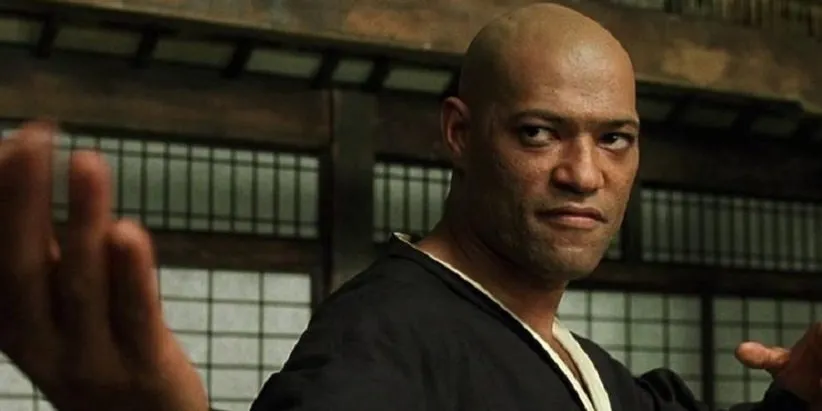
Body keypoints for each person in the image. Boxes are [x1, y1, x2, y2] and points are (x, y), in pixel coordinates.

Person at [0, 3, 819, 411]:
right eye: (539, 132)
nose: (583, 173)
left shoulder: (578, 362)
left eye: (614, 139)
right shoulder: (383, 339)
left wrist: (800, 395)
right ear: (459, 133)